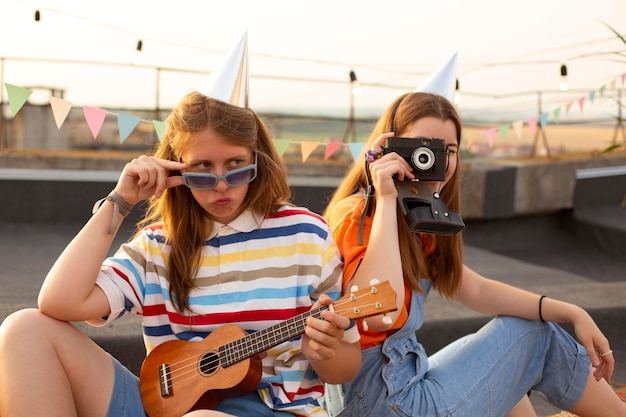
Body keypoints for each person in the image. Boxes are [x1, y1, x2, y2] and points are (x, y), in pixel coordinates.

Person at [0, 33, 361, 417]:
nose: (221, 185)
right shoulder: (157, 246)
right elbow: (58, 302)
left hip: (275, 411)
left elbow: (346, 367)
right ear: (176, 169)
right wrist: (119, 202)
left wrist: (327, 348)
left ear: (258, 160)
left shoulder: (306, 234)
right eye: (202, 170)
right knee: (24, 330)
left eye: (236, 166)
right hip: (168, 407)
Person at [323, 53, 626, 417]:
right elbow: (376, 315)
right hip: (380, 401)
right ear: (389, 148)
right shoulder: (359, 213)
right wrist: (386, 198)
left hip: (399, 384)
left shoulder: (418, 215)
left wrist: (570, 311)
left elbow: (476, 289)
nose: (436, 162)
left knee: (497, 355)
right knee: (533, 338)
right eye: (424, 149)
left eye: (447, 151)